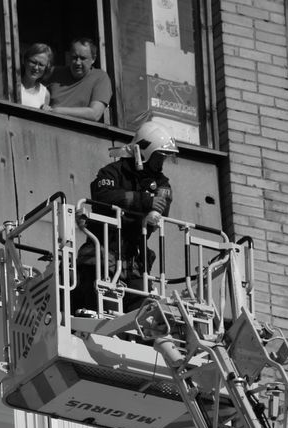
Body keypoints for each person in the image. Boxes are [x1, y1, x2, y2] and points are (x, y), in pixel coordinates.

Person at [71, 120, 178, 315]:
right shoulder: (112, 172)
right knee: (98, 295)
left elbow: (162, 206)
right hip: (102, 248)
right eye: (158, 158)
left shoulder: (161, 182)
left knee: (142, 306)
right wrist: (144, 202)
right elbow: (103, 196)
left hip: (134, 256)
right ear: (143, 152)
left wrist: (149, 208)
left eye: (163, 159)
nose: (160, 164)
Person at [45, 37, 112, 122]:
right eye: (74, 57)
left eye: (83, 58)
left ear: (93, 59)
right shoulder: (54, 72)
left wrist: (57, 111)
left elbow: (95, 114)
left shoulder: (100, 77)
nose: (78, 62)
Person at [20, 43, 53, 109]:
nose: (36, 68)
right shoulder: (10, 81)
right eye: (33, 62)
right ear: (25, 61)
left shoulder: (45, 94)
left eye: (41, 64)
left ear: (46, 68)